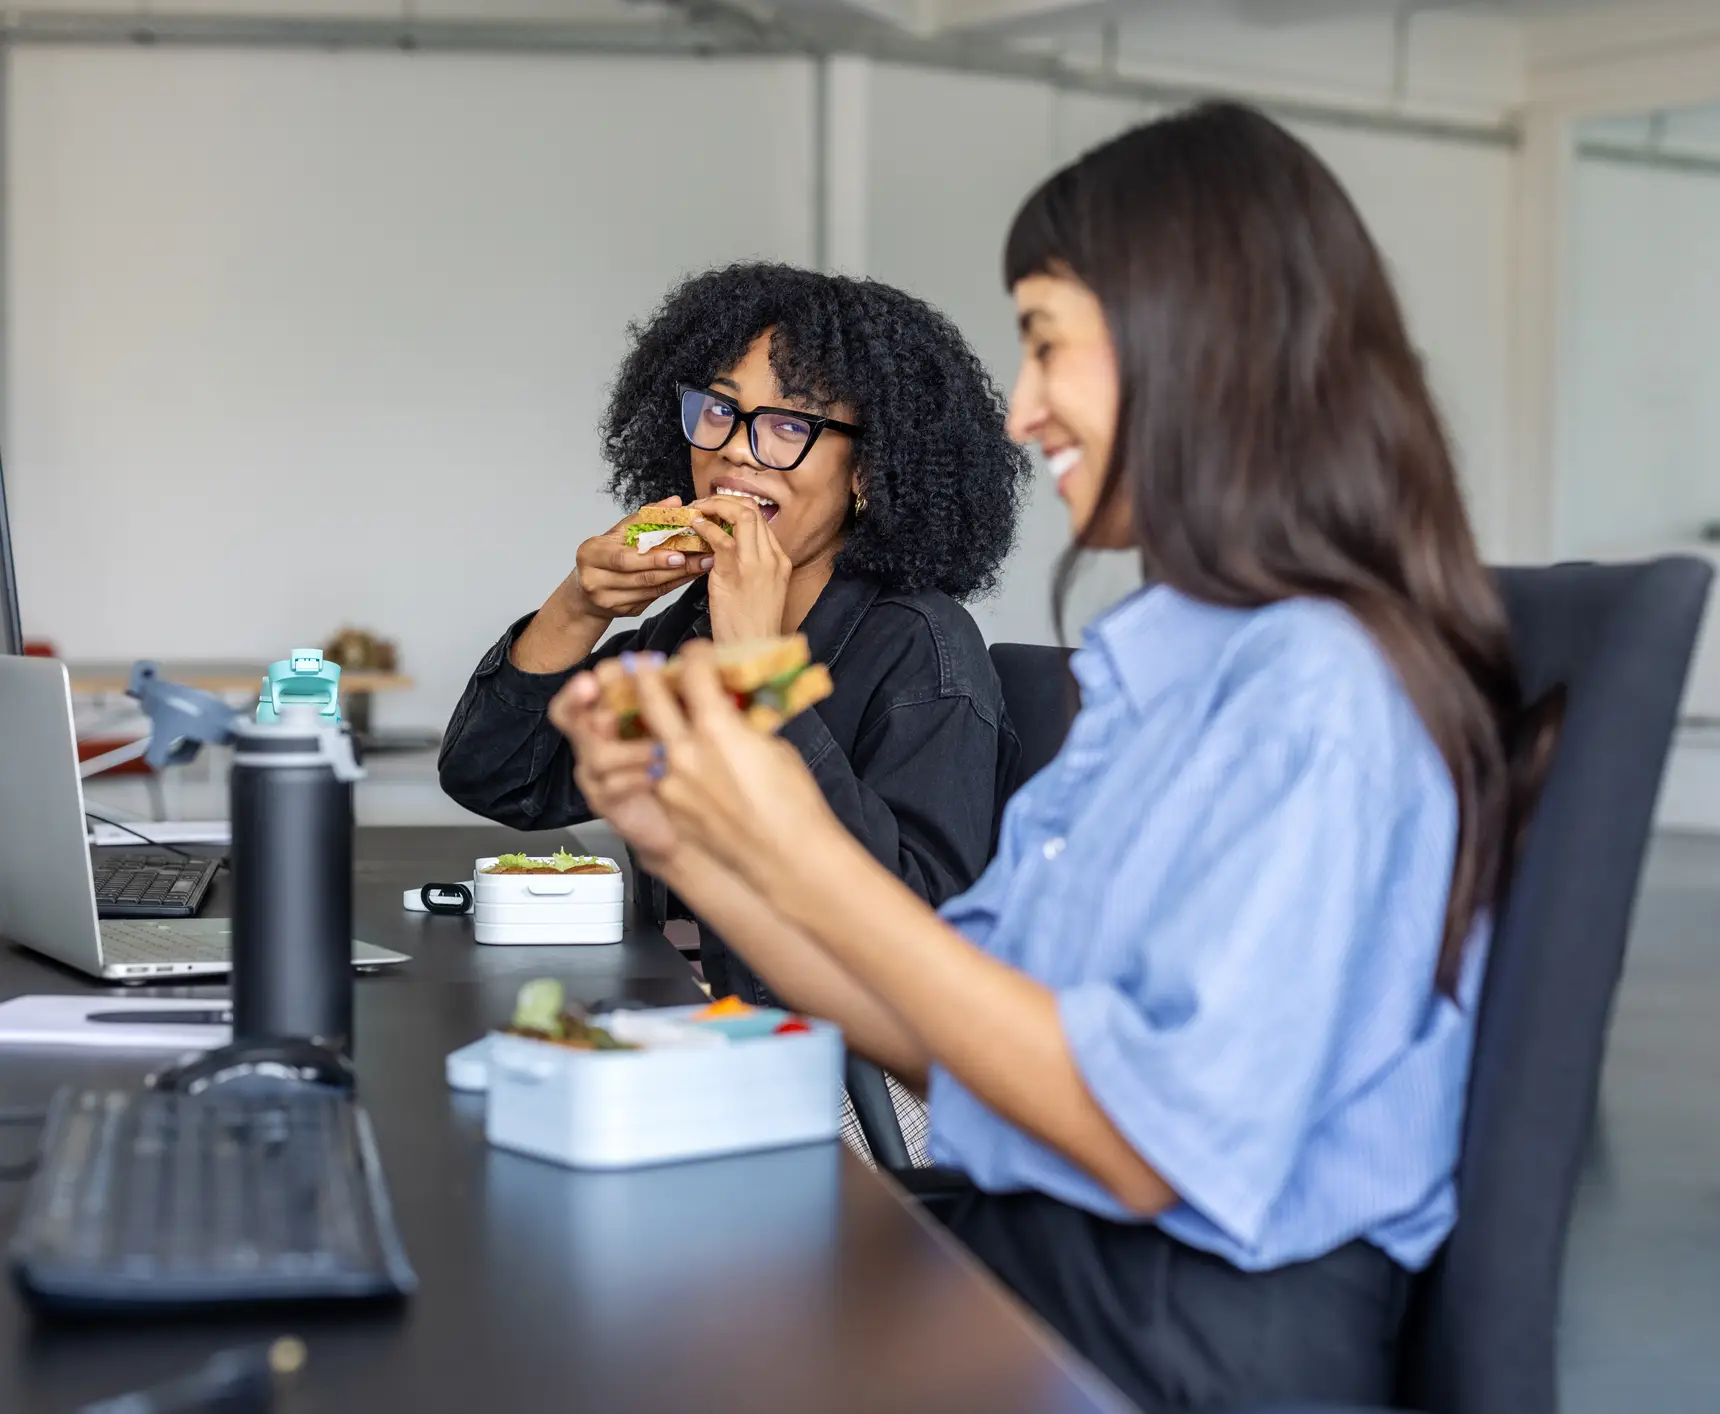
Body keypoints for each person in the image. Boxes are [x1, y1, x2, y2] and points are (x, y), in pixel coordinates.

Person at [547, 106, 1553, 1413]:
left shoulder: (1322, 692)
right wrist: (699, 847)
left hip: (1176, 1342)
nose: (1020, 411)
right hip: (1055, 1264)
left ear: (1196, 341)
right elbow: (951, 1034)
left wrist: (789, 838)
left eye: (1045, 342)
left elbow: (1148, 1145)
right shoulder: (1161, 672)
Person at [438, 263, 1028, 1014]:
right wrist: (579, 607)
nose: (738, 450)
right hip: (683, 1020)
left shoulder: (925, 649)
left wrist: (756, 669)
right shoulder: (692, 626)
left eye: (791, 425)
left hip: (830, 1058)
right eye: (720, 409)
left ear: (868, 472)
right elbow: (497, 779)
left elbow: (916, 924)